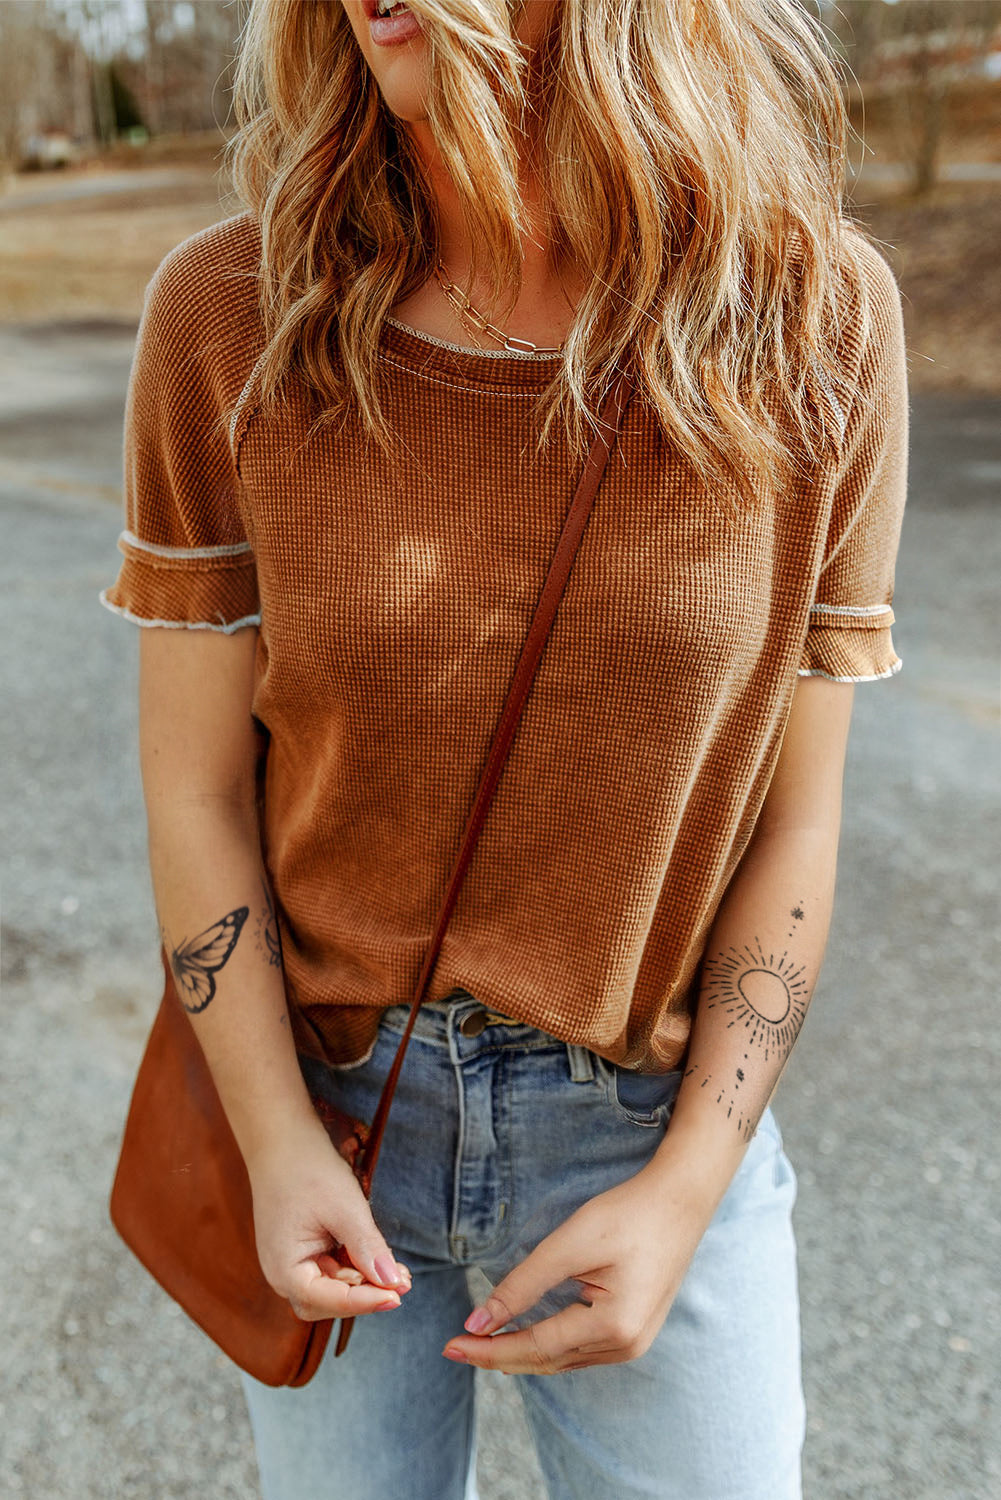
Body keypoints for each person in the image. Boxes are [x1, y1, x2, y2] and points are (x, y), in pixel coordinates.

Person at [100, 0, 909, 1496]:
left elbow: (793, 825)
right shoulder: (231, 313)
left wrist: (684, 1191)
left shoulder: (809, 317)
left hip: (652, 1133)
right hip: (336, 1121)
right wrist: (276, 1141)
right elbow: (196, 787)